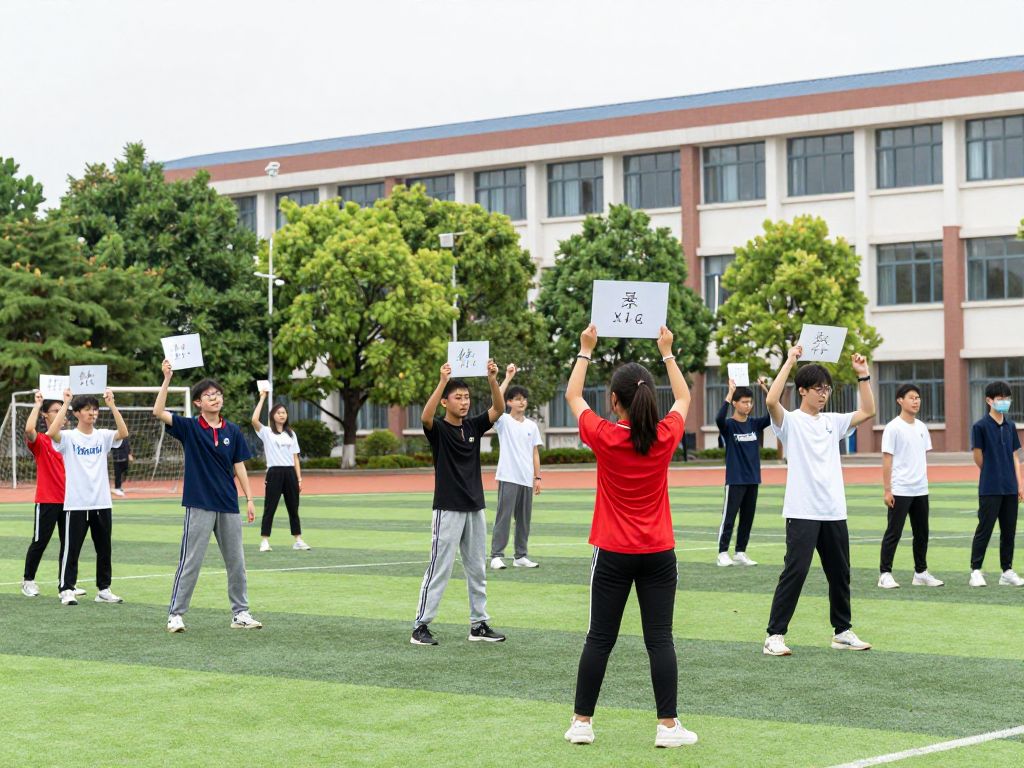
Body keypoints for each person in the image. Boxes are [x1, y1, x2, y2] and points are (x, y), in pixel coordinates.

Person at [563, 324, 698, 750]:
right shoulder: (665, 435)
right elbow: (684, 398)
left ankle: (582, 722)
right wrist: (668, 353)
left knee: (599, 638)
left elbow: (572, 397)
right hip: (659, 552)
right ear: (649, 397)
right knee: (660, 639)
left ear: (615, 400)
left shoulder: (605, 436)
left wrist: (585, 350)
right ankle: (667, 726)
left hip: (613, 553)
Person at [762, 346, 876, 657]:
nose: (823, 394)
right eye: (817, 389)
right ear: (802, 391)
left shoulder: (833, 422)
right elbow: (771, 400)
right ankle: (775, 635)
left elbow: (868, 411)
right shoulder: (790, 421)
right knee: (795, 571)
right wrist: (790, 360)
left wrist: (862, 374)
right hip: (802, 510)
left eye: (826, 389)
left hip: (833, 509)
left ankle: (842, 631)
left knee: (840, 572)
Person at [154, 360, 263, 632]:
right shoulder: (190, 427)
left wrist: (249, 498)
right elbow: (158, 411)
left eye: (217, 395)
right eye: (208, 396)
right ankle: (175, 614)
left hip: (228, 504)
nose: (214, 399)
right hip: (199, 504)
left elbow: (239, 465)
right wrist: (167, 378)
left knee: (237, 561)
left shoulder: (232, 430)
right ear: (198, 403)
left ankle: (241, 613)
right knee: (191, 561)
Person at [410, 359, 507, 647]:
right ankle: (420, 626)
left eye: (467, 398)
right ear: (445, 402)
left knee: (477, 567)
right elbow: (424, 418)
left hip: (475, 506)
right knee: (440, 567)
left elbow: (499, 409)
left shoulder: (473, 426)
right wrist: (442, 380)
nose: (464, 403)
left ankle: (478, 624)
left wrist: (492, 379)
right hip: (448, 508)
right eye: (458, 397)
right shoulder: (438, 429)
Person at [47, 388, 129, 606]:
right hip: (76, 503)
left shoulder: (102, 435)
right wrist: (65, 402)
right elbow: (51, 433)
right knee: (71, 548)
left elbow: (123, 433)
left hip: (102, 502)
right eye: (87, 409)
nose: (92, 413)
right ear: (77, 413)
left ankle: (103, 589)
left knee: (104, 548)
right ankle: (66, 588)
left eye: (95, 409)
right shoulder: (69, 437)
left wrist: (111, 405)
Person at [878, 384, 943, 588]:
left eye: (918, 398)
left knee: (922, 533)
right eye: (911, 397)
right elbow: (887, 459)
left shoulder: (922, 427)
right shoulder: (893, 427)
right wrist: (888, 490)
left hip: (920, 489)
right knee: (893, 532)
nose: (916, 401)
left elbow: (921, 456)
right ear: (900, 400)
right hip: (900, 489)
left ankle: (920, 572)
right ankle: (885, 574)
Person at [968, 381, 1023, 587]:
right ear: (989, 400)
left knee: (1009, 531)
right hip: (990, 487)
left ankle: (1007, 570)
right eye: (1000, 398)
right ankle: (975, 570)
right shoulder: (980, 426)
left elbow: (1014, 456)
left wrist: (1019, 484)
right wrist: (992, 471)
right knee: (985, 528)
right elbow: (977, 456)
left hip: (1010, 488)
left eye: (1007, 398)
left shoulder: (1010, 426)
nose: (1004, 402)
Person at [489, 363, 543, 570]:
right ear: (509, 402)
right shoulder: (503, 420)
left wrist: (537, 477)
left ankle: (520, 555)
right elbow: (496, 402)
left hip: (526, 478)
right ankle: (496, 555)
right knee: (503, 517)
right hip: (508, 476)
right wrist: (507, 378)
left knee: (524, 520)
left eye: (524, 399)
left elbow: (534, 452)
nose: (522, 402)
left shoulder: (531, 426)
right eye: (517, 399)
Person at [714, 377, 771, 567]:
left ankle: (740, 552)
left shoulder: (754, 424)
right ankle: (722, 552)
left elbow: (773, 414)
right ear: (735, 403)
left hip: (753, 479)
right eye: (744, 402)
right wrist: (730, 393)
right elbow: (718, 419)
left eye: (750, 402)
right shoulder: (729, 426)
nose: (748, 405)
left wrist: (765, 388)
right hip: (735, 479)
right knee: (729, 518)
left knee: (747, 518)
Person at [21, 392, 67, 598]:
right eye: (55, 411)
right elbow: (29, 429)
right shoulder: (41, 440)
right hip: (47, 500)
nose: (61, 415)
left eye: (62, 411)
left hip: (71, 501)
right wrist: (37, 404)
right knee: (40, 541)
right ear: (45, 416)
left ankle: (66, 585)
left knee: (69, 544)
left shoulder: (70, 440)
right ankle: (28, 581)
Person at [251, 391, 309, 552]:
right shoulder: (267, 432)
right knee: (270, 507)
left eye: (284, 412)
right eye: (279, 413)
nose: (282, 415)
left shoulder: (291, 434)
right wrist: (262, 397)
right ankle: (264, 540)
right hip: (274, 473)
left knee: (293, 508)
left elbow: (295, 457)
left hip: (290, 473)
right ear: (273, 415)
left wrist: (299, 479)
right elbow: (254, 420)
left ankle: (297, 539)